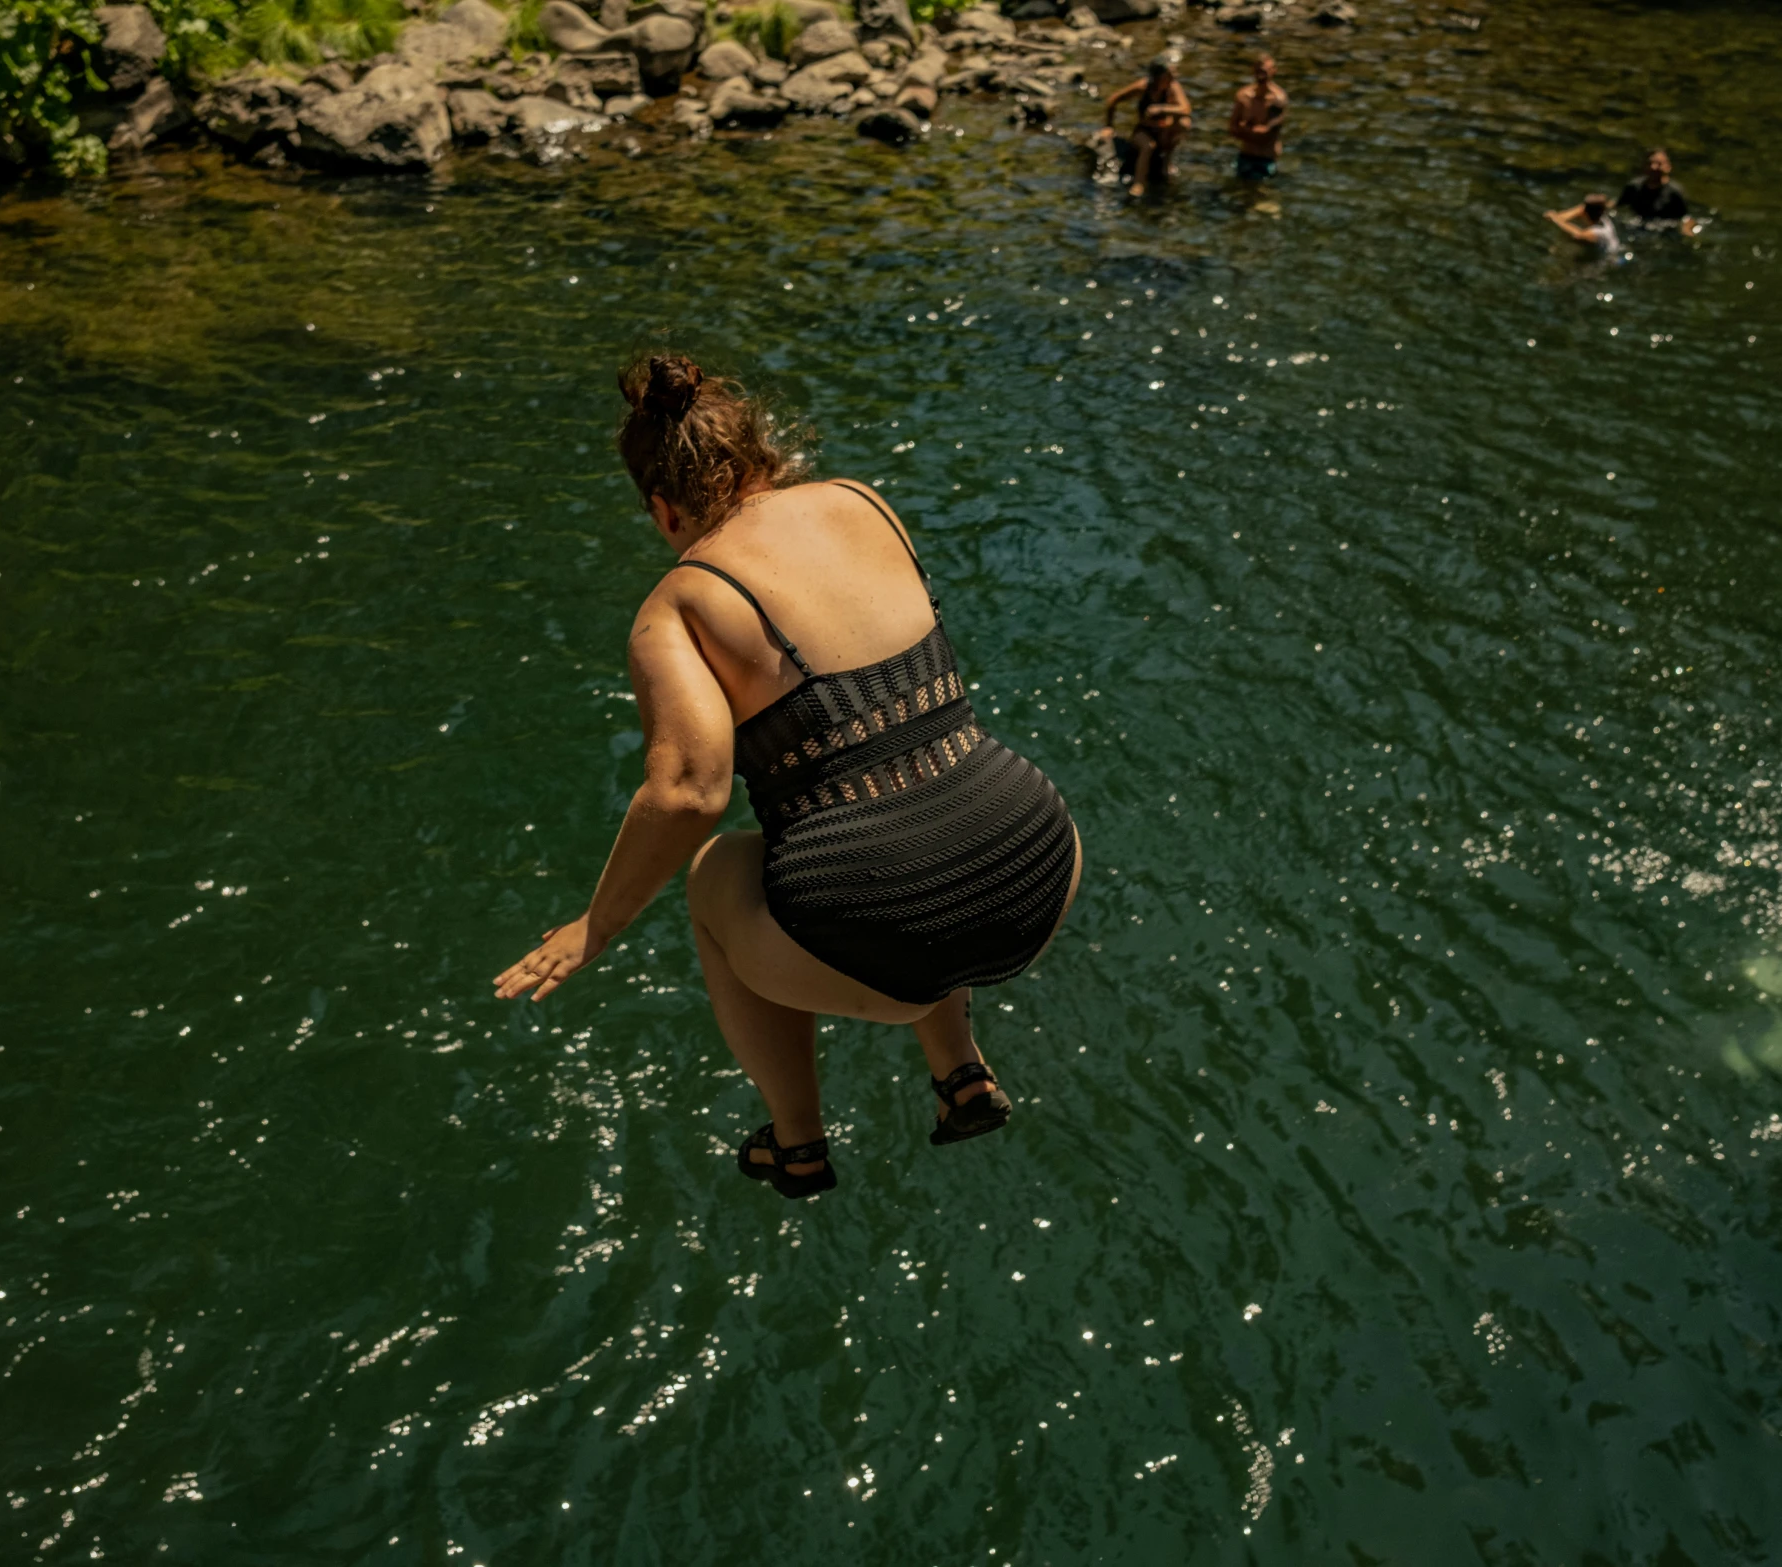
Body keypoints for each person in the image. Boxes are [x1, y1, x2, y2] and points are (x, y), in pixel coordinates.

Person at [494, 354, 1084, 1200]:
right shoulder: (863, 502)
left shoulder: (681, 603)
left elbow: (688, 790)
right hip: (1040, 857)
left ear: (664, 510)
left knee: (718, 875)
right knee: (908, 791)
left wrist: (597, 924)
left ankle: (798, 1141)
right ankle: (962, 1074)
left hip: (906, 922)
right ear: (764, 453)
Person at [1096, 56, 1192, 198]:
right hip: (1144, 130)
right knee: (1148, 147)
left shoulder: (1173, 86)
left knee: (1184, 124)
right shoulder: (1143, 86)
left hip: (1164, 130)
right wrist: (1108, 126)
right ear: (1159, 76)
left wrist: (1161, 109)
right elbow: (1113, 100)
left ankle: (1167, 161)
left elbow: (1186, 109)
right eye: (1170, 74)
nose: (1174, 77)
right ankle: (1139, 183)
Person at [1227, 54, 1286, 181]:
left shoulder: (1277, 100)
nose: (1261, 75)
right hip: (1245, 156)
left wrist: (1245, 127)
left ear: (1273, 71)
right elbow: (1232, 128)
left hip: (1266, 159)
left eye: (1264, 72)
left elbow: (1268, 135)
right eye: (1258, 71)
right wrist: (1254, 130)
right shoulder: (1243, 96)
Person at [1617, 146, 1698, 235]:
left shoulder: (1675, 192)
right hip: (1637, 229)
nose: (1653, 167)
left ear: (1668, 167)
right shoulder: (1633, 187)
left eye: (1658, 164)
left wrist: (1687, 230)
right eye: (1650, 163)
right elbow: (1618, 207)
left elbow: (1686, 218)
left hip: (1665, 233)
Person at [1546, 192, 1621, 257]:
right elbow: (1577, 210)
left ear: (1585, 213)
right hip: (1611, 247)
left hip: (1610, 257)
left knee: (1571, 241)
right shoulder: (1601, 214)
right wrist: (1556, 216)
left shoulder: (1598, 231)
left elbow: (1579, 234)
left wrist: (1554, 218)